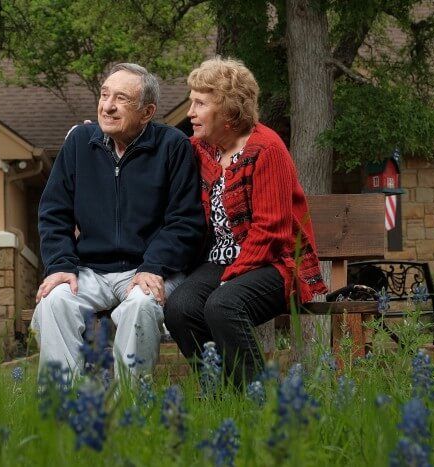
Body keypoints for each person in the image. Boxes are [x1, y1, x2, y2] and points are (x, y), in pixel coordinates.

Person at [31, 63, 205, 379]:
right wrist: (60, 265)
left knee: (142, 304)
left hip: (149, 268)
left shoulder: (172, 147)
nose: (107, 106)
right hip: (91, 271)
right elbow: (54, 213)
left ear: (147, 111)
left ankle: (130, 409)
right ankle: (62, 407)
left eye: (121, 98)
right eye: (105, 94)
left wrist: (154, 266)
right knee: (53, 300)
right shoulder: (79, 142)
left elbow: (184, 221)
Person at [164, 57, 328, 387]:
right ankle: (217, 395)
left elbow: (272, 231)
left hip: (274, 264)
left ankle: (258, 401)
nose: (190, 112)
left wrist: (232, 277)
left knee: (224, 305)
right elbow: (159, 145)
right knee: (179, 307)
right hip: (221, 261)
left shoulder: (267, 150)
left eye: (200, 103)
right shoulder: (202, 148)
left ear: (228, 111)